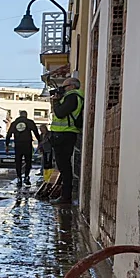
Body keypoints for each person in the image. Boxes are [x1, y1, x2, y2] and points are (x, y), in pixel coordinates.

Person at [49, 76, 84, 205]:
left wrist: (56, 101)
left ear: (72, 86)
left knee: (64, 167)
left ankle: (65, 197)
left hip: (65, 134)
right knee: (64, 167)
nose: (62, 89)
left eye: (64, 87)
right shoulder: (74, 97)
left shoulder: (72, 96)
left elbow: (60, 113)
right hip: (66, 134)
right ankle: (65, 196)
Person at [6, 109, 41, 187]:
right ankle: (26, 177)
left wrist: (7, 145)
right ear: (26, 115)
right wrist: (40, 141)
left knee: (18, 162)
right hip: (27, 144)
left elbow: (8, 134)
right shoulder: (30, 122)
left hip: (18, 145)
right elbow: (36, 132)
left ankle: (19, 178)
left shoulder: (14, 123)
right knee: (28, 162)